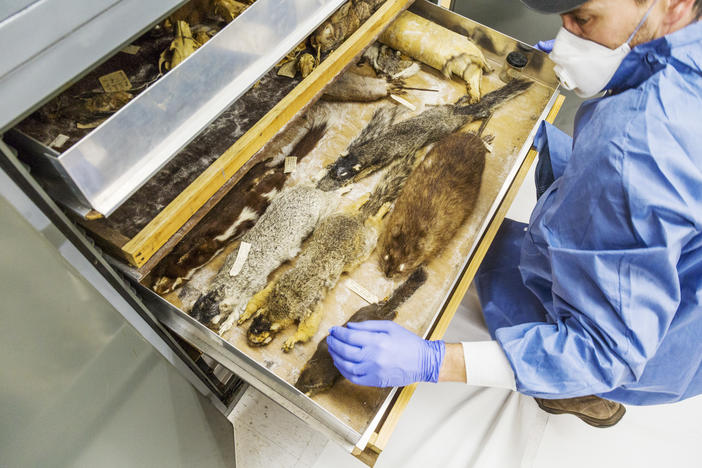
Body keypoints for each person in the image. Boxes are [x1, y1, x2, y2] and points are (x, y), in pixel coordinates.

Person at [326, 0, 702, 427]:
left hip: (663, 333)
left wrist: (433, 361)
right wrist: (623, 69)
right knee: (490, 246)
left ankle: (585, 396)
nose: (567, 37)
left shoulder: (638, 154)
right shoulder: (682, 41)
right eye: (563, 18)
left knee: (508, 284)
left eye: (583, 19)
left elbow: (605, 351)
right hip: (671, 256)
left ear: (674, 4)